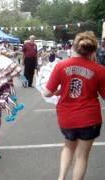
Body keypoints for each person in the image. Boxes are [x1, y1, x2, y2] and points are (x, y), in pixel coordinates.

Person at [44, 31, 104, 180]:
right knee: (82, 157)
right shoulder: (100, 70)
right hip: (90, 118)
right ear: (93, 50)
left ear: (74, 47)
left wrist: (58, 91)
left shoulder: (61, 66)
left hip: (67, 117)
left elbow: (46, 93)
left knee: (68, 147)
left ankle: (61, 178)